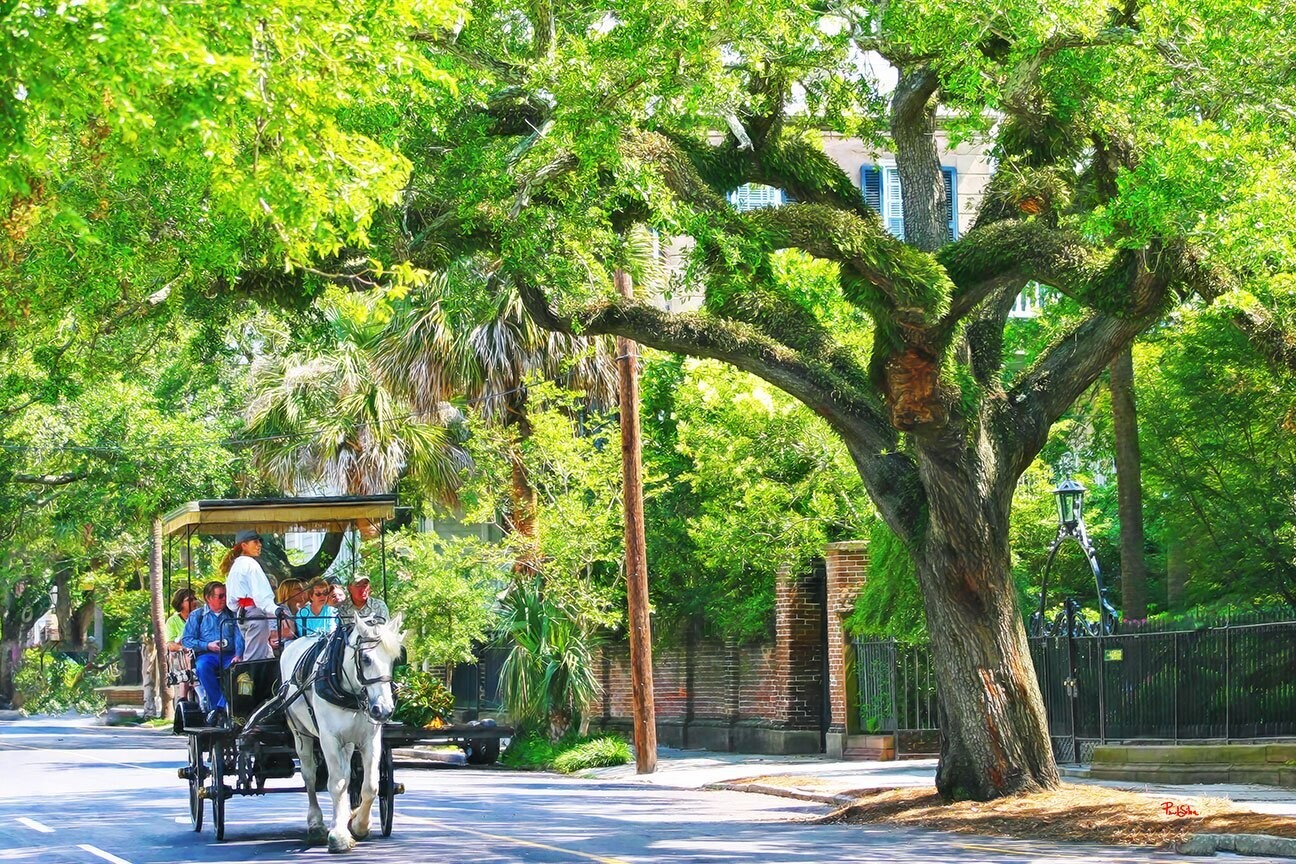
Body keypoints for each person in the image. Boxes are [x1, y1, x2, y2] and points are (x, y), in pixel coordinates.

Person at [181, 581, 242, 726]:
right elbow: (187, 640)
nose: (224, 599)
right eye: (220, 596)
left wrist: (239, 654)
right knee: (202, 667)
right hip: (207, 655)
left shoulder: (233, 614)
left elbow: (239, 636)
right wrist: (207, 645)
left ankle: (221, 707)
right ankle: (217, 706)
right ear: (208, 598)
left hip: (229, 654)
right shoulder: (198, 615)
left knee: (237, 670)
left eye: (225, 596)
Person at [220, 529, 279, 662]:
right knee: (255, 657)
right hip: (255, 614)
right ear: (244, 545)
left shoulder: (235, 566)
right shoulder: (250, 564)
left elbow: (232, 603)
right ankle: (251, 681)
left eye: (259, 542)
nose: (259, 545)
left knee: (264, 653)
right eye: (255, 542)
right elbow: (262, 595)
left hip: (243, 614)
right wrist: (274, 609)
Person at [164, 587, 198, 702]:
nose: (194, 602)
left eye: (194, 599)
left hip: (199, 651)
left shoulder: (200, 617)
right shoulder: (172, 621)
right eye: (190, 599)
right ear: (180, 603)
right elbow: (170, 644)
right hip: (182, 656)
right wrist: (183, 648)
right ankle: (183, 697)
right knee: (189, 658)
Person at [273, 578, 306, 645]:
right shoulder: (277, 610)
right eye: (298, 589)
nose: (303, 591)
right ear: (288, 591)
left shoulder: (303, 611)